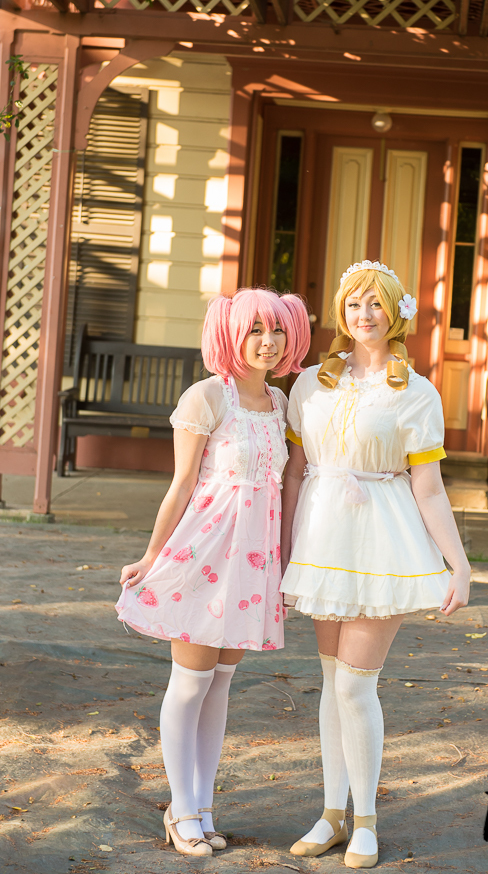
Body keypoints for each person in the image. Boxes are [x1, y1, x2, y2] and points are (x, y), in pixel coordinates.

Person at [280, 261, 471, 869]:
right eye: (353, 304)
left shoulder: (416, 392)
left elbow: (429, 488)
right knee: (330, 683)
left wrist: (459, 565)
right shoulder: (311, 384)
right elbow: (294, 473)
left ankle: (365, 820)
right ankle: (331, 813)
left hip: (382, 543)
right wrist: (281, 551)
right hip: (321, 543)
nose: (364, 315)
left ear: (396, 313)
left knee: (355, 685)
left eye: (376, 304)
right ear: (342, 312)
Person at [116, 288, 310, 856]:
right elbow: (181, 485)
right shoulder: (207, 397)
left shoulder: (279, 402)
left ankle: (201, 805)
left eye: (277, 330)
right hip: (204, 554)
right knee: (190, 684)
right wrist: (151, 555)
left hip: (252, 563)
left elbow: (285, 486)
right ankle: (180, 809)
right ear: (231, 334)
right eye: (255, 330)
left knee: (221, 684)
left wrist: (287, 560)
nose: (268, 342)